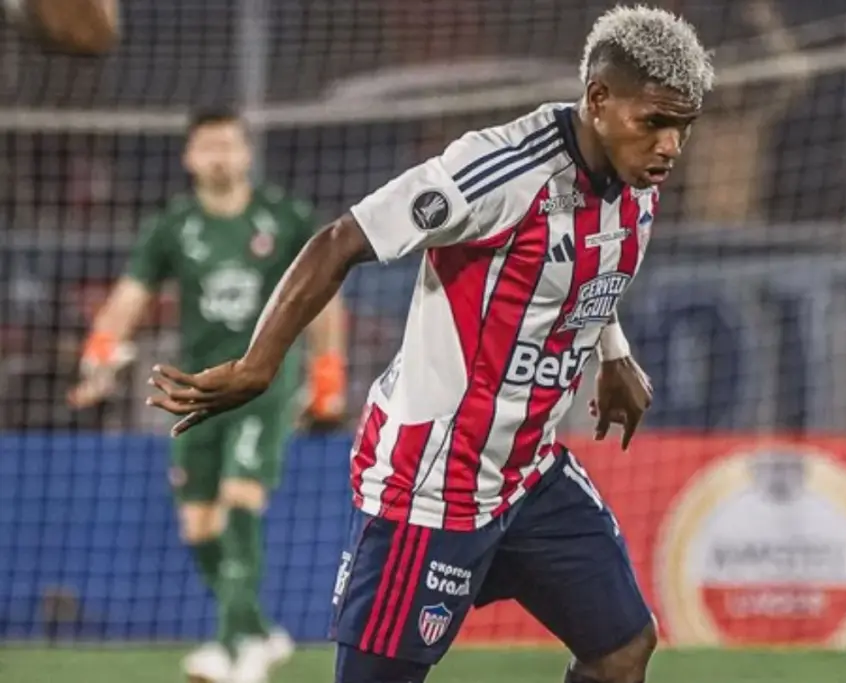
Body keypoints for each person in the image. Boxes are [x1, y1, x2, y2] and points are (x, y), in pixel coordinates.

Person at [148, 6, 713, 683]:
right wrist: (258, 363)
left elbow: (589, 263)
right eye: (655, 122)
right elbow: (341, 240)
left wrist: (612, 351)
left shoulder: (635, 183)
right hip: (431, 480)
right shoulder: (500, 170)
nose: (671, 146)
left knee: (622, 649)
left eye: (683, 126)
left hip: (528, 474)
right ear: (597, 100)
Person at [68, 107, 350, 683]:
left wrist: (326, 378)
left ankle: (231, 653)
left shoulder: (287, 217)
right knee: (198, 527)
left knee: (240, 500)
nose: (220, 156)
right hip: (194, 389)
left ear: (246, 153)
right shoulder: (172, 227)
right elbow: (129, 298)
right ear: (189, 157)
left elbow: (324, 299)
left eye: (229, 145)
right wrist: (99, 354)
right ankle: (258, 632)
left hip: (262, 382)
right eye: (208, 147)